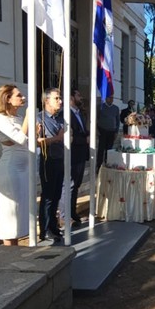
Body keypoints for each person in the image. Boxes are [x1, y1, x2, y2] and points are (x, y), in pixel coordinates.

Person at [0, 85, 32, 245]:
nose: (23, 98)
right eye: (19, 95)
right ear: (8, 98)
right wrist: (29, 116)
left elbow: (28, 142)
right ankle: (8, 253)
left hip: (24, 169)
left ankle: (17, 251)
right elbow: (19, 139)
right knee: (11, 213)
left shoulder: (19, 118)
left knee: (21, 213)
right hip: (10, 169)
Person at [37, 88, 65, 242]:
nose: (60, 101)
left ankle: (54, 226)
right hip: (47, 161)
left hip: (59, 159)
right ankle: (45, 229)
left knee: (56, 196)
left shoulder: (59, 118)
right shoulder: (39, 118)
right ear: (47, 101)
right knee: (47, 196)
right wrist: (57, 138)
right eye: (57, 98)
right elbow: (37, 142)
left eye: (60, 98)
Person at [69, 89, 89, 225]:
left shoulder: (79, 113)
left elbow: (82, 131)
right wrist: (84, 140)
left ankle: (73, 213)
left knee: (76, 185)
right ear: (71, 97)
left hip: (81, 153)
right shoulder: (66, 114)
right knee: (70, 185)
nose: (80, 97)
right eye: (78, 95)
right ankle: (66, 215)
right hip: (72, 153)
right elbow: (70, 135)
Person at [96, 95, 119, 172]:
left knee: (109, 149)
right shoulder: (100, 107)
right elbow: (96, 117)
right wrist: (97, 129)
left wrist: (116, 131)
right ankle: (99, 166)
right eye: (110, 97)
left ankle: (107, 164)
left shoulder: (116, 108)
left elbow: (117, 121)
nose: (111, 99)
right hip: (102, 130)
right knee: (101, 149)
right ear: (106, 98)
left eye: (112, 98)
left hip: (111, 131)